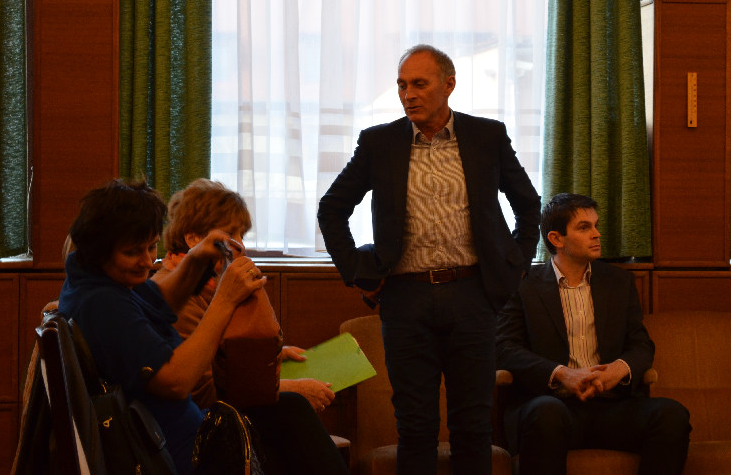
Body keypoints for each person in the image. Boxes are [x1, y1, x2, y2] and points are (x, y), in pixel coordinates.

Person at [317, 43, 541, 474]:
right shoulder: (380, 142)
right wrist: (358, 271)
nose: (408, 95)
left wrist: (512, 267)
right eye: (402, 85)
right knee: (416, 428)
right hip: (405, 299)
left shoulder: (487, 136)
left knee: (472, 427)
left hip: (473, 295)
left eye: (419, 84)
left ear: (449, 85)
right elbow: (332, 208)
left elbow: (529, 205)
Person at [58, 179, 347, 475]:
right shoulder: (102, 304)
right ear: (99, 249)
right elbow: (176, 381)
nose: (147, 261)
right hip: (184, 454)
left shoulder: (95, 281)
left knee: (290, 411)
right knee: (292, 416)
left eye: (151, 246)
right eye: (133, 252)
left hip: (189, 432)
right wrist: (226, 299)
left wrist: (196, 258)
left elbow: (159, 301)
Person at [495, 193, 691, 475]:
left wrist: (618, 370)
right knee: (546, 414)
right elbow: (504, 348)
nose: (597, 234)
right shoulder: (524, 286)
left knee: (672, 415)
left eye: (596, 226)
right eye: (584, 227)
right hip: (553, 405)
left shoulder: (619, 282)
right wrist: (562, 374)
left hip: (612, 407)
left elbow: (641, 344)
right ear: (556, 238)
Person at [160, 178, 347, 475]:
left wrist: (270, 355)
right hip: (195, 427)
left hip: (213, 416)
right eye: (230, 234)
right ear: (193, 239)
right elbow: (203, 392)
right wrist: (289, 388)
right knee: (291, 408)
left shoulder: (206, 286)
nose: (240, 244)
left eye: (241, 234)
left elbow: (217, 354)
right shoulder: (178, 296)